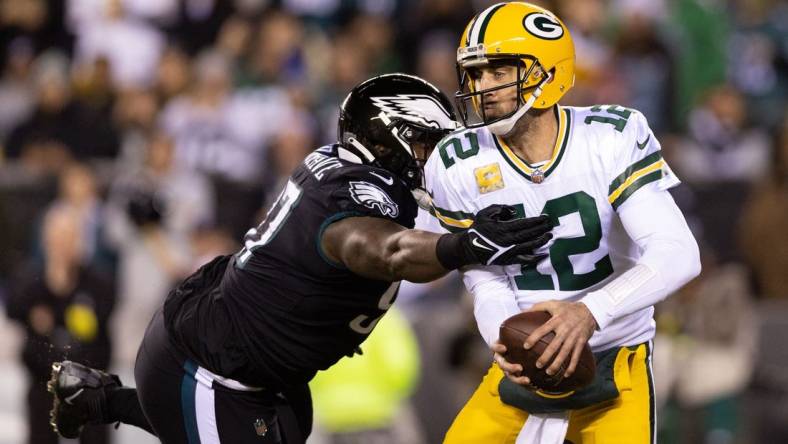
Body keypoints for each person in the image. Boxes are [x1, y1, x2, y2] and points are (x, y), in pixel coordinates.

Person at [47, 73, 553, 444]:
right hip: (208, 366)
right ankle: (101, 400)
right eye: (425, 142)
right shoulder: (359, 192)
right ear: (392, 138)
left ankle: (96, 399)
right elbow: (382, 248)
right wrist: (466, 245)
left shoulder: (345, 165)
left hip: (252, 356)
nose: (433, 156)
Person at [424, 3, 701, 443]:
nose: (483, 88)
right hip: (525, 363)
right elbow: (485, 280)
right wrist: (505, 339)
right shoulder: (458, 163)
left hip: (616, 362)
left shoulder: (609, 137)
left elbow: (678, 254)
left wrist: (590, 312)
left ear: (547, 73)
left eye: (499, 72)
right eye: (475, 75)